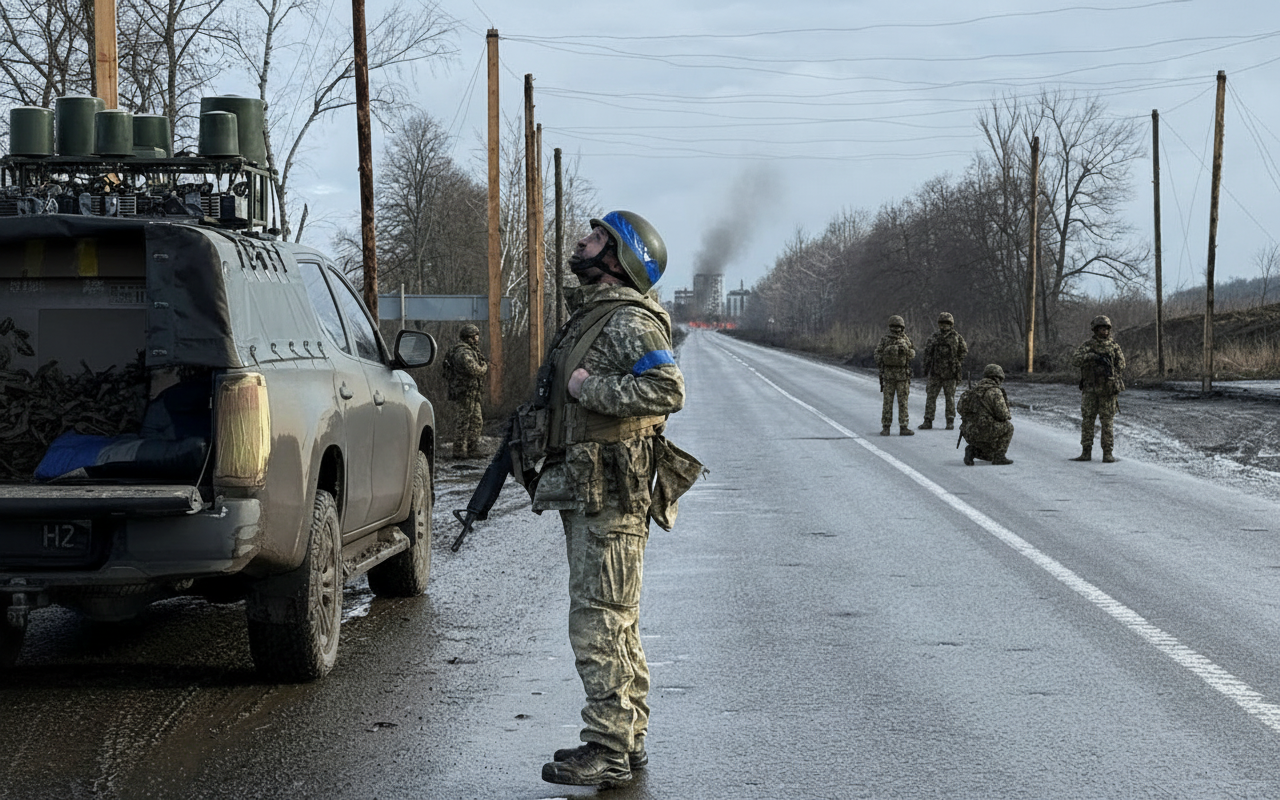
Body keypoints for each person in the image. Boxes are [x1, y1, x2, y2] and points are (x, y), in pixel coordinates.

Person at [523, 210, 699, 789]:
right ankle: (628, 736)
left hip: (612, 496)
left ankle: (608, 745)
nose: (582, 240)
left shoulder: (629, 321)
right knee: (616, 619)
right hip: (590, 490)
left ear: (619, 261)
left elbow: (668, 388)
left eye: (597, 237)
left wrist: (587, 389)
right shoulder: (592, 317)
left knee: (599, 620)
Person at [1070, 314, 1126, 463]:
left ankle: (1107, 453)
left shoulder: (1114, 346)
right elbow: (1075, 360)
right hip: (1090, 389)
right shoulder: (1088, 346)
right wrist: (1091, 357)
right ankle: (1086, 451)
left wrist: (1111, 373)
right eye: (1101, 329)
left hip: (1107, 390)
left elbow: (1121, 365)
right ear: (1095, 330)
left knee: (1107, 422)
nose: (1104, 332)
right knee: (1087, 420)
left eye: (1106, 329)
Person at [441, 324, 488, 459]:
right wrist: (484, 367)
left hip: (472, 392)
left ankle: (472, 449)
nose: (477, 338)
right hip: (465, 392)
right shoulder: (463, 352)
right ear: (469, 337)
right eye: (475, 336)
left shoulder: (469, 350)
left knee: (476, 421)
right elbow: (474, 370)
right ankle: (458, 451)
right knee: (464, 421)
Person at [919, 311, 968, 430]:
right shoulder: (935, 337)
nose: (944, 325)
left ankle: (949, 421)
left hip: (950, 373)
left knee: (949, 398)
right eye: (942, 323)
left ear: (951, 324)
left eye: (946, 323)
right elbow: (928, 353)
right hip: (936, 372)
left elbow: (964, 351)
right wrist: (926, 368)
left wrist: (957, 362)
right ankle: (928, 420)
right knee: (932, 396)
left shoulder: (956, 337)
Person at [959, 364, 1014, 466]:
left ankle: (972, 451)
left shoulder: (974, 389)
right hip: (984, 430)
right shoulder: (994, 391)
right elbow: (1003, 415)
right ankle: (1000, 457)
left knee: (990, 455)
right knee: (1008, 427)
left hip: (968, 432)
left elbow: (960, 409)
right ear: (997, 377)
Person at [873, 315, 916, 436]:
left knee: (888, 402)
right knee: (902, 402)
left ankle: (886, 427)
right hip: (901, 376)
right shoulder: (905, 340)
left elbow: (877, 355)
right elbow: (912, 354)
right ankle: (903, 427)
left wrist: (886, 358)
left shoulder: (885, 340)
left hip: (890, 375)